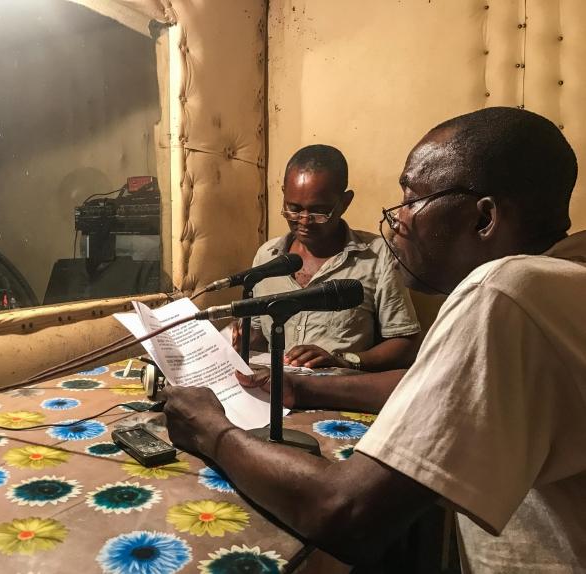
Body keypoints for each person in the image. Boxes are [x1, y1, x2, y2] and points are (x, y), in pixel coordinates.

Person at [163, 107, 586, 571]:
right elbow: (431, 388)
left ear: (484, 218)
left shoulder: (505, 291)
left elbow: (345, 511)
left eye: (411, 197)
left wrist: (211, 430)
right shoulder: (564, 278)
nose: (399, 219)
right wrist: (302, 385)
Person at [237, 144, 421, 372]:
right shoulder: (267, 256)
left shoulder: (378, 256)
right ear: (284, 193)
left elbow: (406, 344)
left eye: (319, 211)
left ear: (344, 203)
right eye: (293, 208)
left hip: (338, 396)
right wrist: (240, 338)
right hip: (275, 394)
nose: (304, 220)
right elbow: (256, 334)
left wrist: (342, 359)